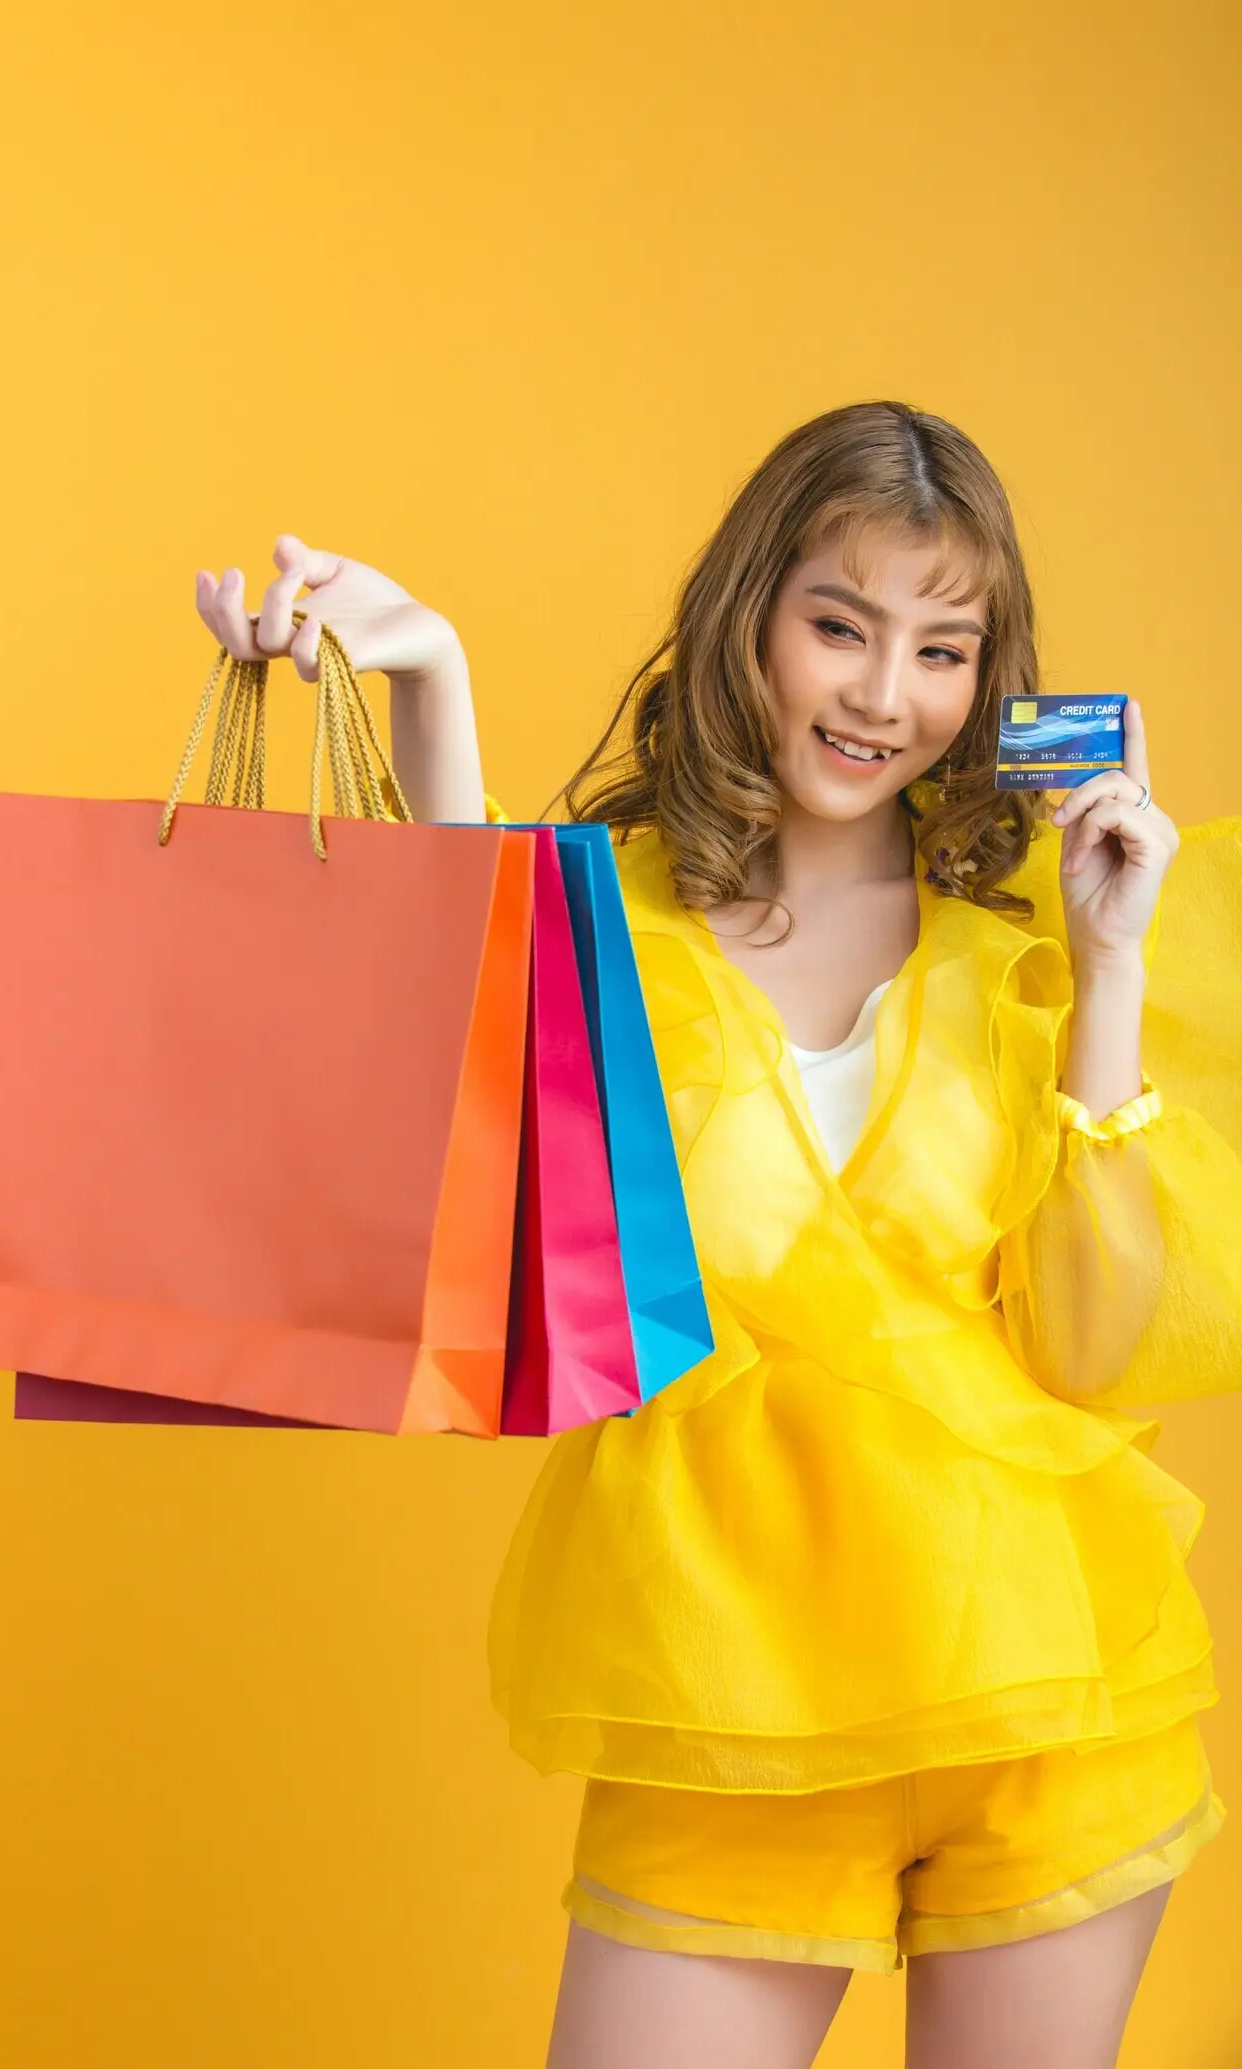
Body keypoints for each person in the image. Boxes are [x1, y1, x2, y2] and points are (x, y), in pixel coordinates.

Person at [195, 401, 1242, 2068]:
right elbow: (473, 1031)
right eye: (841, 626)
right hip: (725, 1699)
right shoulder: (615, 924)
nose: (885, 695)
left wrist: (1107, 965)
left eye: (942, 650)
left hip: (1047, 1693)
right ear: (752, 612)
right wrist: (430, 676)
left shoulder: (1023, 951)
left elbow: (1094, 1340)